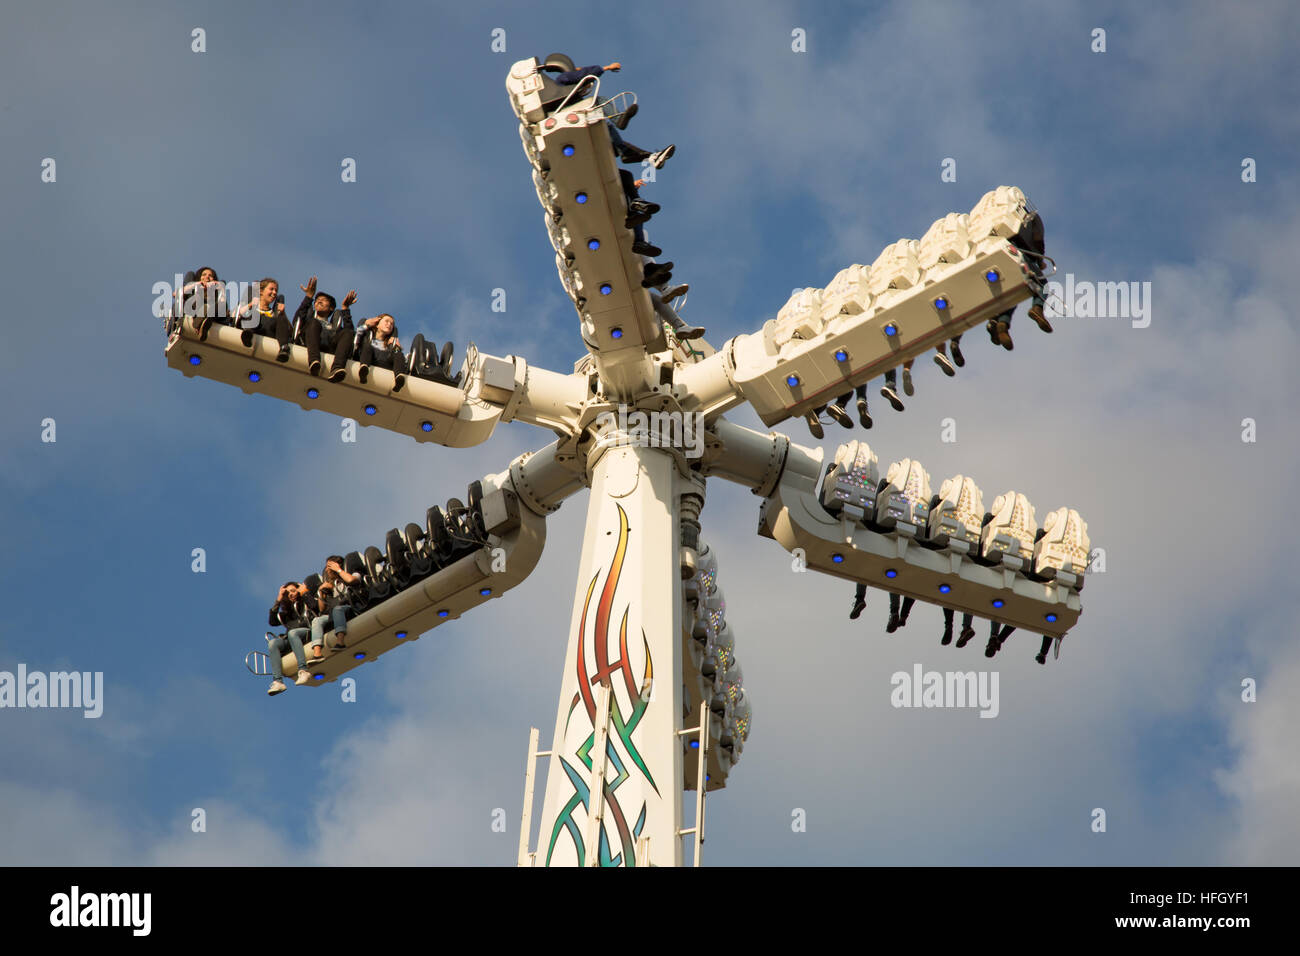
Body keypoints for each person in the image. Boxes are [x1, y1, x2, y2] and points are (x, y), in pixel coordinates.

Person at [294, 276, 356, 381]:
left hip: (330, 346)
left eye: (324, 300)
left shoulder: (334, 326)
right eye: (317, 300)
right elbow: (297, 321)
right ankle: (314, 362)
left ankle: (337, 368)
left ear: (331, 307)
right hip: (308, 342)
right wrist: (309, 297)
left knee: (347, 333)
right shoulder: (310, 320)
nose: (319, 301)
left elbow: (350, 334)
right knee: (314, 323)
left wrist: (345, 309)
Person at [267, 581, 313, 695]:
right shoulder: (286, 612)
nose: (291, 594)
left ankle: (303, 670)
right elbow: (272, 621)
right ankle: (278, 682)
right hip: (292, 638)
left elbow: (315, 606)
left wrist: (304, 591)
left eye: (293, 591)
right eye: (288, 593)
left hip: (307, 633)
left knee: (292, 633)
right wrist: (278, 599)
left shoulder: (305, 603)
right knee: (273, 643)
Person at [310, 555, 361, 657]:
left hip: (351, 607)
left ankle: (340, 642)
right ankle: (317, 653)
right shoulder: (331, 586)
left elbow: (351, 580)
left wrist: (338, 570)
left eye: (329, 566)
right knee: (316, 620)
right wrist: (321, 591)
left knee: (337, 609)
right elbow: (321, 608)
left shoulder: (352, 574)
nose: (327, 570)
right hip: (334, 613)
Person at [231, 277, 293, 361]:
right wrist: (250, 305)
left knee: (279, 319)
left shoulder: (273, 313)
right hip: (249, 329)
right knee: (254, 313)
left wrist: (282, 313)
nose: (274, 293)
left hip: (267, 332)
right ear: (261, 291)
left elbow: (289, 330)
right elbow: (234, 316)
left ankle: (284, 348)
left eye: (276, 290)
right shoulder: (251, 305)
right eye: (271, 289)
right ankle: (248, 335)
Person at [356, 313, 408, 391]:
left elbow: (399, 357)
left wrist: (397, 348)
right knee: (367, 346)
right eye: (386, 321)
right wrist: (367, 324)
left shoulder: (390, 345)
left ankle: (399, 379)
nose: (389, 324)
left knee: (399, 354)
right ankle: (364, 370)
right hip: (370, 360)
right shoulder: (367, 337)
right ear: (377, 324)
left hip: (385, 364)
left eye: (391, 324)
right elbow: (358, 333)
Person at [186, 267, 228, 342]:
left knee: (220, 305)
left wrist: (220, 287)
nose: (207, 277)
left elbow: (223, 305)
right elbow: (176, 294)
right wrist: (197, 284)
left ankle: (201, 323)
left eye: (210, 275)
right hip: (195, 308)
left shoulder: (216, 293)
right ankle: (202, 321)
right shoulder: (194, 288)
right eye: (204, 274)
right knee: (197, 298)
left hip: (213, 313)